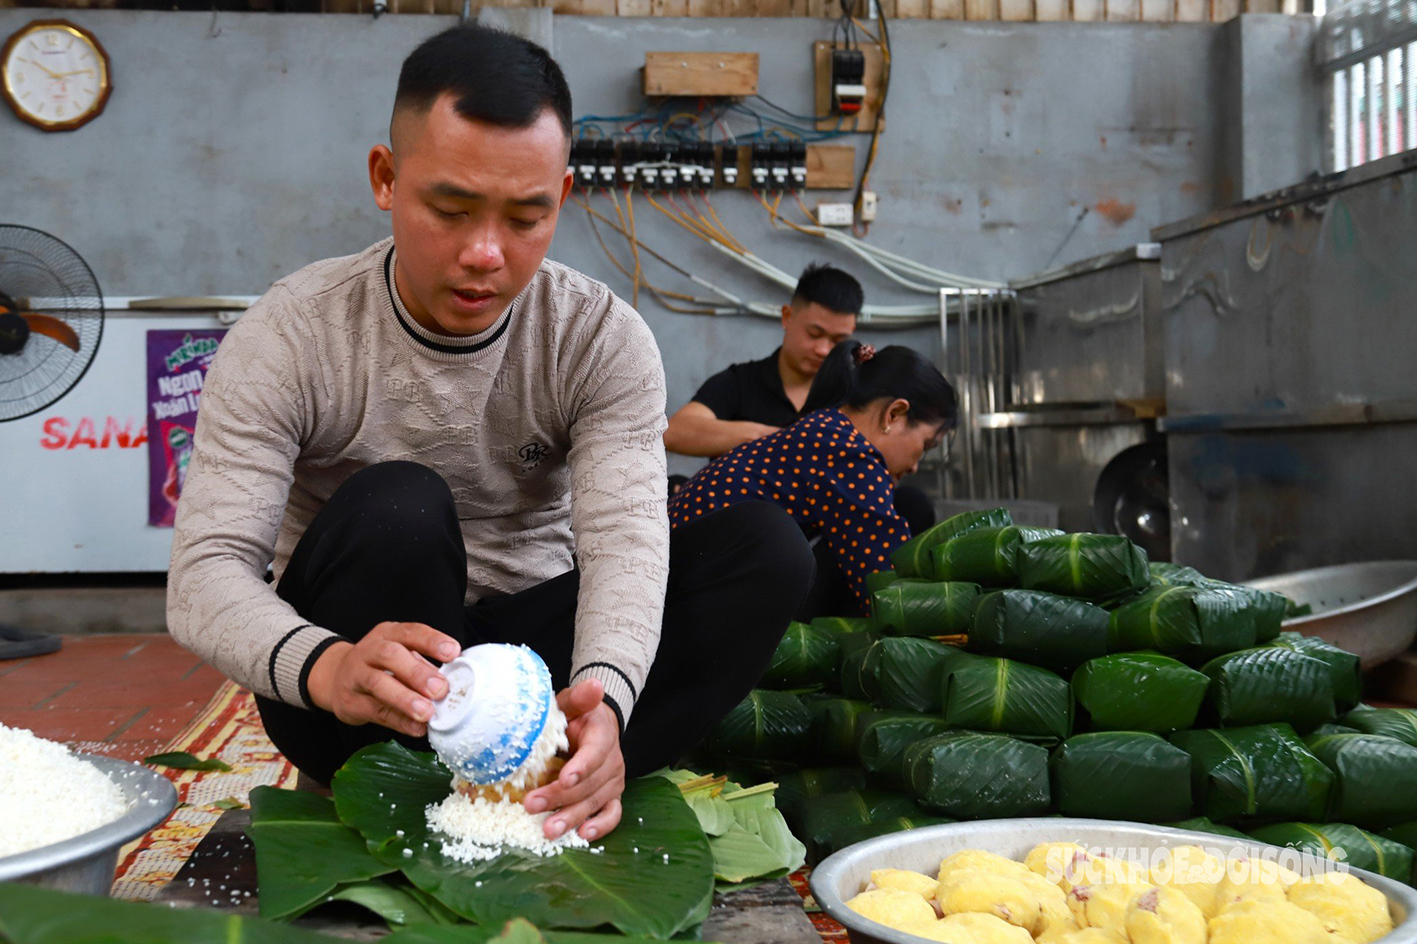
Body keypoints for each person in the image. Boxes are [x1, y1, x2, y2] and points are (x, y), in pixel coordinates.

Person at [166, 25, 814, 846]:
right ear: (385, 177)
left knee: (767, 548)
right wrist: (326, 668)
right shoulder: (293, 333)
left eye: (525, 217)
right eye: (451, 208)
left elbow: (624, 545)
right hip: (361, 689)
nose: (485, 254)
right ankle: (381, 783)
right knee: (400, 501)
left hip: (530, 679)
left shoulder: (599, 339)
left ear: (564, 197)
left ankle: (566, 778)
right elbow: (203, 577)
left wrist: (606, 700)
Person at [668, 340, 958, 619]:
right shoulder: (850, 454)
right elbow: (889, 587)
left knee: (906, 505)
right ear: (894, 414)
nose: (916, 467)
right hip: (689, 595)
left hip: (684, 574)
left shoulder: (826, 428)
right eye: (926, 445)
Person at [663, 263, 860, 460]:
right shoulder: (741, 382)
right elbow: (675, 432)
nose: (823, 350)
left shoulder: (854, 393)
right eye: (814, 334)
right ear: (787, 317)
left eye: (838, 341)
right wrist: (776, 438)